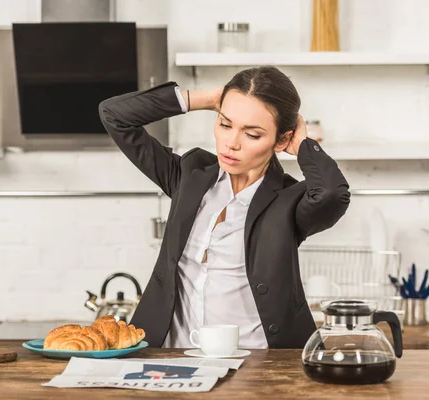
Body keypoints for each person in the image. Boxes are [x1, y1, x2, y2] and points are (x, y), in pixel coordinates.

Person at [98, 66, 350, 349]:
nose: (231, 143)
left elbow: (332, 194)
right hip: (171, 357)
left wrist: (303, 143)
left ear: (281, 140)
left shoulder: (288, 200)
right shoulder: (189, 175)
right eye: (225, 124)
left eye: (252, 135)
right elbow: (114, 115)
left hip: (259, 364)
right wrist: (208, 99)